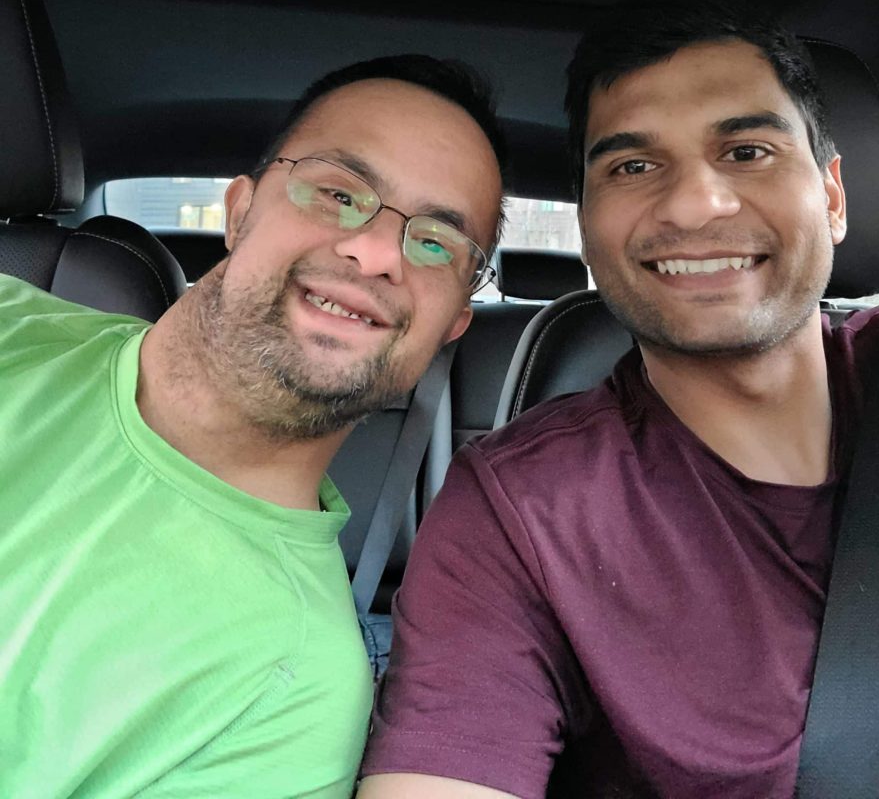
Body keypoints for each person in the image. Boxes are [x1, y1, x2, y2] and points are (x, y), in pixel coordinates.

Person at [358, 0, 879, 797]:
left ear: (832, 197)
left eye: (746, 152)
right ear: (590, 223)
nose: (696, 203)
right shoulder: (524, 510)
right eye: (633, 165)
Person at [0, 54, 504, 799]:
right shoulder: (12, 322)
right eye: (337, 193)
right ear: (239, 212)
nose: (373, 252)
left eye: (434, 242)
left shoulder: (292, 695)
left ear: (453, 322)